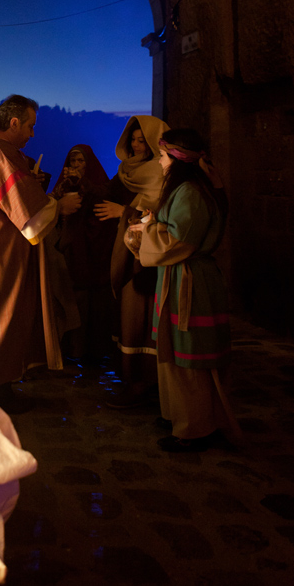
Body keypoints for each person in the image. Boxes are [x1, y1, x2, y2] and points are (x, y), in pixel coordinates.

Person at [0, 95, 81, 406]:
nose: (32, 134)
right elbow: (30, 218)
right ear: (14, 122)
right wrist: (59, 206)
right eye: (30, 126)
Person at [129, 128, 241, 452]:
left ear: (177, 159)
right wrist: (154, 222)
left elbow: (176, 242)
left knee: (190, 354)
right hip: (177, 277)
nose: (159, 161)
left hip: (190, 280)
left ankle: (196, 428)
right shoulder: (185, 188)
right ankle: (178, 415)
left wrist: (148, 228)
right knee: (173, 349)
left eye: (163, 156)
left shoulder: (190, 192)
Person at [93, 116, 169, 406]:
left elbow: (162, 216)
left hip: (149, 258)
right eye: (133, 140)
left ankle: (146, 382)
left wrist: (123, 212)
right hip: (125, 252)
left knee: (144, 317)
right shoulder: (126, 171)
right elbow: (107, 193)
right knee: (128, 315)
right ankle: (131, 379)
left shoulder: (161, 172)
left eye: (142, 141)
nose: (137, 146)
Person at [51, 145, 114, 360]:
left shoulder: (99, 183)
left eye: (80, 161)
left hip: (96, 254)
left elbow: (105, 198)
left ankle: (96, 353)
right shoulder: (65, 183)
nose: (76, 165)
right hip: (72, 252)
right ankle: (71, 351)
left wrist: (84, 182)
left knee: (96, 303)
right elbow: (53, 206)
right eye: (73, 161)